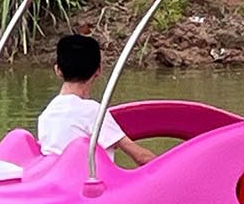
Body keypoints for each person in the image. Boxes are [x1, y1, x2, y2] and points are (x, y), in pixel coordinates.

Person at [37, 34, 157, 165]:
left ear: (58, 70)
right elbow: (141, 157)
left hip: (57, 179)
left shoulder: (47, 114)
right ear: (98, 70)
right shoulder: (93, 112)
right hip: (90, 183)